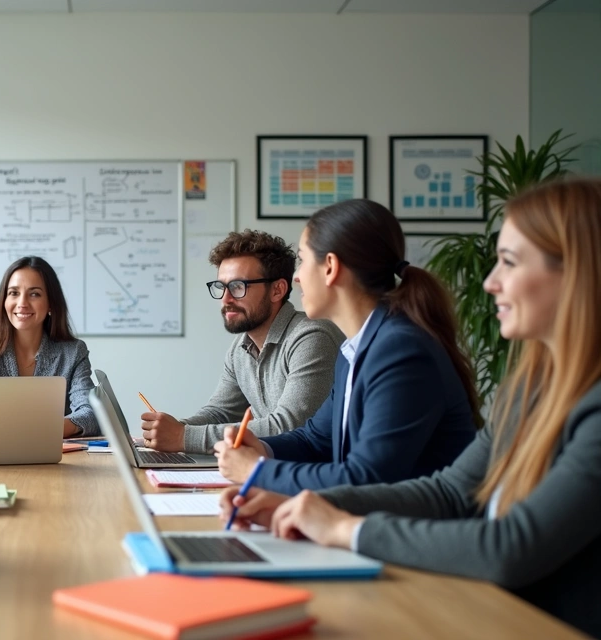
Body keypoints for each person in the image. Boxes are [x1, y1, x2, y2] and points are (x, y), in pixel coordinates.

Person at [220, 179, 601, 637]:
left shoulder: (402, 348)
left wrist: (340, 526)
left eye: (510, 261)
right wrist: (300, 506)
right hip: (484, 602)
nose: (490, 282)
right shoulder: (529, 389)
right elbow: (450, 492)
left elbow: (510, 547)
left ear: (578, 273)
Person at [213, 199, 480, 494]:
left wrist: (257, 471)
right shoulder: (354, 350)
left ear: (330, 267)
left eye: (303, 260)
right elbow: (316, 439)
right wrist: (262, 448)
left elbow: (366, 478)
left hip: (417, 522)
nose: (297, 277)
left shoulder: (401, 351)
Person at [140, 230, 343, 453]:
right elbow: (219, 413)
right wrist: (171, 431)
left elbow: (290, 426)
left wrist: (183, 437)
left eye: (238, 286)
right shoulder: (241, 347)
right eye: (221, 287)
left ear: (277, 290)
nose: (225, 299)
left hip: (313, 471)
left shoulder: (311, 337)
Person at [0, 256, 96, 437]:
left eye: (34, 294)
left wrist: (44, 429)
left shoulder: (73, 352)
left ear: (51, 303)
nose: (22, 303)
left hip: (49, 450)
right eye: (14, 293)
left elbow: (90, 414)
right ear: (4, 301)